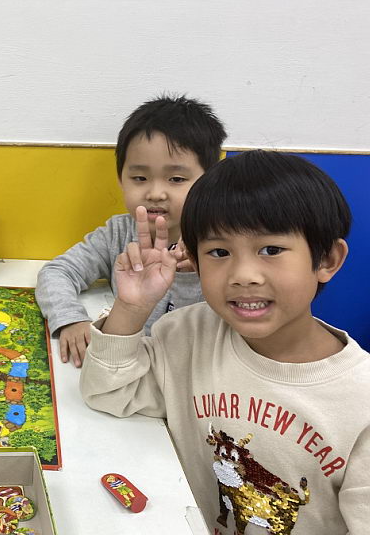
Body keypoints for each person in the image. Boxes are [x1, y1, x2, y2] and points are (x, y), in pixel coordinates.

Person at [81, 151, 369, 534]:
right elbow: (109, 392)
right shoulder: (188, 333)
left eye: (271, 250)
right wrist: (132, 308)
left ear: (327, 259)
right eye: (219, 252)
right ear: (194, 261)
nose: (243, 275)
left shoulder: (360, 402)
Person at [36, 95, 227, 366]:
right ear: (121, 179)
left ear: (210, 180)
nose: (155, 193)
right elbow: (57, 272)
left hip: (191, 373)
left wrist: (195, 271)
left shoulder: (224, 244)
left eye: (176, 179)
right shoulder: (118, 233)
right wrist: (70, 319)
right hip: (122, 364)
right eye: (140, 178)